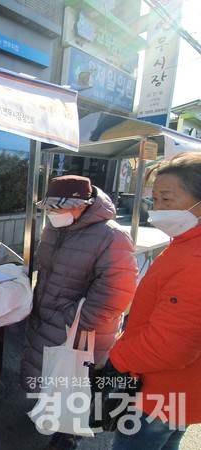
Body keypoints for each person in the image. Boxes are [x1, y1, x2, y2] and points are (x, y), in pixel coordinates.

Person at [21, 175, 138, 450]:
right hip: (49, 320)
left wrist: (66, 319)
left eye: (58, 208)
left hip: (79, 331)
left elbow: (114, 296)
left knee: (75, 387)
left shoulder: (112, 236)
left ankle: (66, 439)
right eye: (50, 208)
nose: (52, 213)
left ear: (82, 205)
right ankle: (51, 420)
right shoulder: (56, 227)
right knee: (52, 380)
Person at [106, 152, 201, 450]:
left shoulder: (195, 259)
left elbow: (170, 346)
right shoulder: (186, 243)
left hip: (159, 393)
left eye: (168, 199)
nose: (157, 209)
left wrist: (116, 359)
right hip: (180, 392)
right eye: (155, 199)